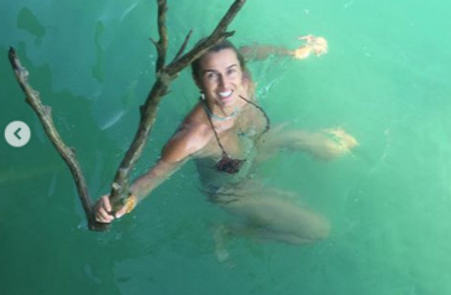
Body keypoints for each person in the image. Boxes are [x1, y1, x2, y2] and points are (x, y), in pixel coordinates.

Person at [94, 35, 357, 246]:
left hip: (256, 145)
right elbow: (155, 176)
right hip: (233, 189)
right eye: (212, 75)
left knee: (334, 148)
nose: (224, 86)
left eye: (231, 71)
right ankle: (230, 230)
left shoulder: (244, 82)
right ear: (198, 80)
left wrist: (293, 52)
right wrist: (120, 204)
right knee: (318, 231)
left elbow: (253, 51)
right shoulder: (194, 136)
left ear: (240, 70)